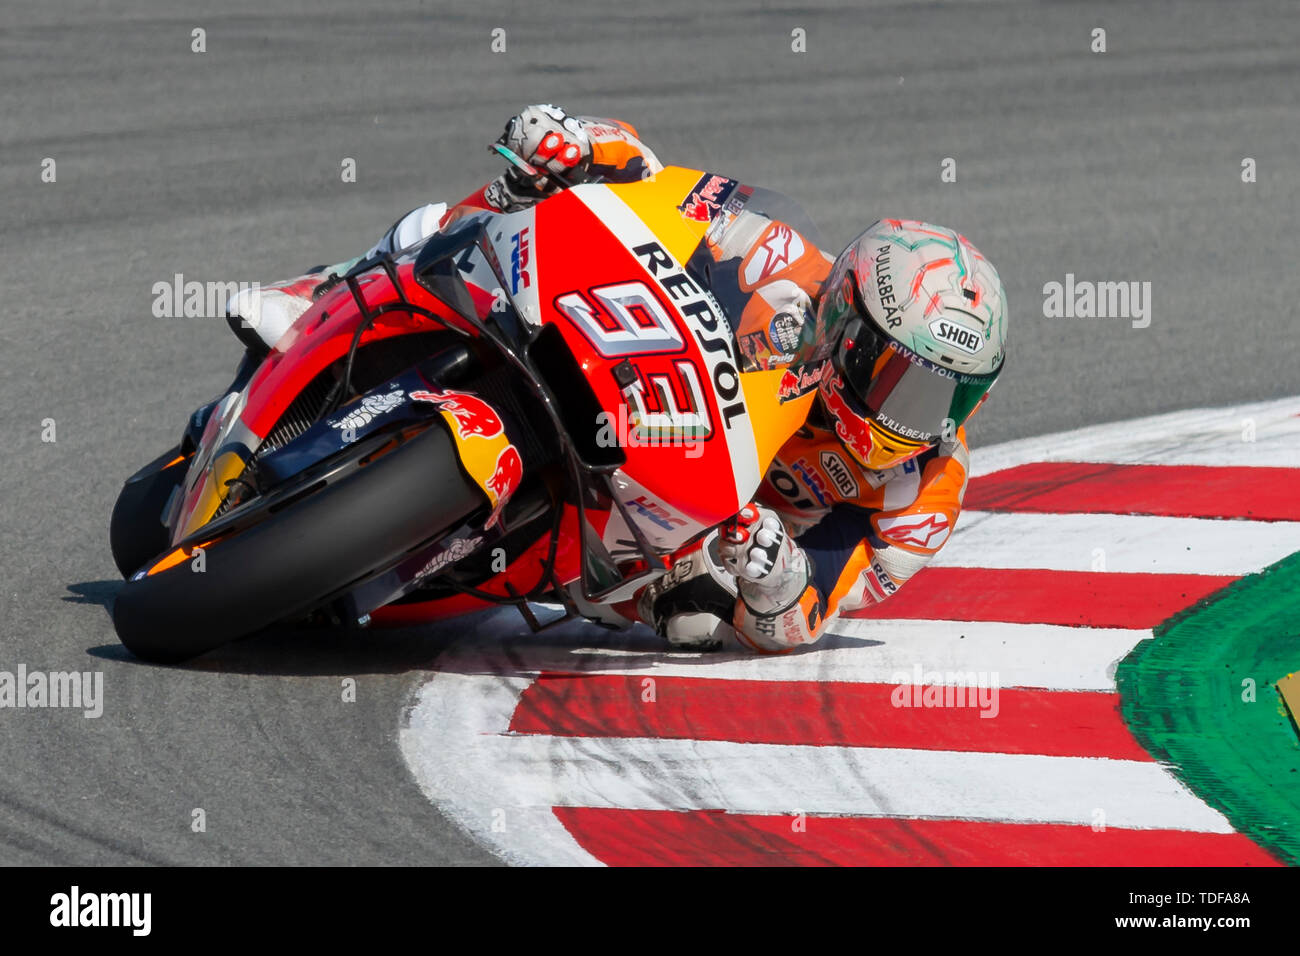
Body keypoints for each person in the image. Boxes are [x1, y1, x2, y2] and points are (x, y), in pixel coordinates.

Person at [226, 104, 1009, 654]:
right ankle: (324, 292)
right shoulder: (778, 261)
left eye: (951, 395)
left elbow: (809, 617)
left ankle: (449, 563)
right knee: (461, 219)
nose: (925, 416)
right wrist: (583, 145)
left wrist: (776, 580)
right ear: (849, 323)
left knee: (696, 623)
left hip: (686, 540)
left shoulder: (924, 496)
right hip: (629, 378)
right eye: (907, 379)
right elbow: (653, 186)